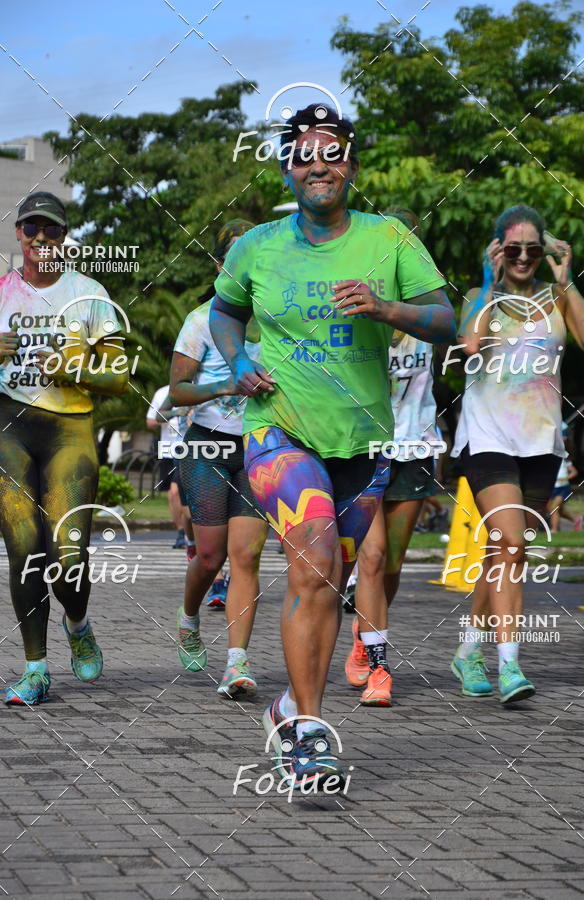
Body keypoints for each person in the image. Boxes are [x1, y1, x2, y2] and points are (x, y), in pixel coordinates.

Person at [210, 105, 455, 788]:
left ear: (351, 164)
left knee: (330, 578)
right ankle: (308, 735)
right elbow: (225, 311)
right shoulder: (256, 245)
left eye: (333, 153)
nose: (319, 165)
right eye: (305, 154)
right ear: (288, 168)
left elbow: (447, 319)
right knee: (315, 561)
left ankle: (290, 705)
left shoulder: (390, 238)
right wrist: (237, 362)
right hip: (277, 428)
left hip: (362, 440)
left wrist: (386, 308)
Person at [449, 205, 584, 703]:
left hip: (540, 441)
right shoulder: (479, 297)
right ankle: (510, 664)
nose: (523, 257)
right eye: (512, 248)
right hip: (487, 437)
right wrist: (488, 284)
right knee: (511, 544)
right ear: (497, 250)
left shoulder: (556, 297)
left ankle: (468, 650)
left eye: (532, 249)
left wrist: (567, 280)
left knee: (503, 552)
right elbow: (471, 345)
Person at [0, 191, 129, 706]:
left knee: (68, 555)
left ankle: (77, 622)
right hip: (9, 430)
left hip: (68, 430)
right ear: (19, 233)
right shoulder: (2, 292)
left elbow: (119, 377)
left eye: (51, 229)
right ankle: (35, 669)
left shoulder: (89, 294)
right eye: (32, 228)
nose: (40, 238)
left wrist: (72, 368)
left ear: (64, 237)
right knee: (24, 547)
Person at [344, 211, 447, 708]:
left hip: (416, 448)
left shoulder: (428, 313)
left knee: (391, 566)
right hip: (367, 446)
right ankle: (379, 667)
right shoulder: (357, 303)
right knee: (372, 556)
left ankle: (364, 636)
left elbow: (462, 332)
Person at [170, 219, 268, 698]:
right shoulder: (200, 320)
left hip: (260, 446)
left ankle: (236, 663)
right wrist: (225, 385)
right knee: (210, 555)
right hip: (207, 445)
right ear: (218, 264)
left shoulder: (277, 318)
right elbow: (177, 391)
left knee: (245, 555)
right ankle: (189, 617)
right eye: (233, 257)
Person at [146, 386, 190, 548]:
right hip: (168, 451)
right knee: (173, 494)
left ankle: (190, 534)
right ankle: (181, 533)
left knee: (179, 493)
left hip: (193, 450)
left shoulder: (201, 385)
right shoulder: (162, 393)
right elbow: (151, 421)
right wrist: (174, 414)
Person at [547, 427, 582, 532]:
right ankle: (575, 520)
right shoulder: (547, 456)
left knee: (554, 508)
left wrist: (564, 479)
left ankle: (554, 530)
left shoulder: (564, 456)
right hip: (552, 488)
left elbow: (574, 472)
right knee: (555, 510)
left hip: (562, 488)